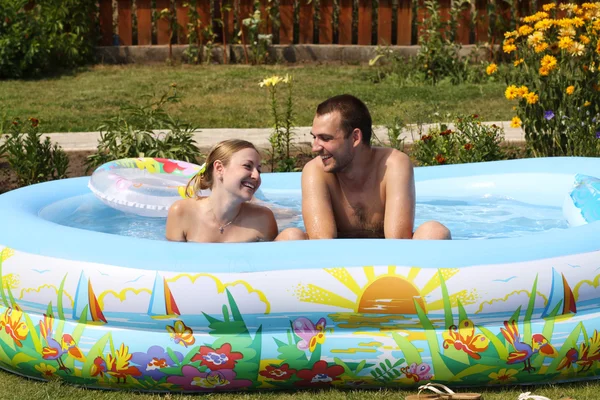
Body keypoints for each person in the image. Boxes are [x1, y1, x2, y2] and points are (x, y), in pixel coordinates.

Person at [301, 94, 451, 240]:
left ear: (355, 138)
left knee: (434, 232)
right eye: (315, 137)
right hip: (336, 263)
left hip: (388, 263)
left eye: (325, 138)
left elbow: (398, 240)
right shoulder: (316, 171)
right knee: (291, 236)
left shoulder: (393, 165)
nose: (315, 148)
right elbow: (321, 243)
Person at [166, 139, 306, 243]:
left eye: (258, 170)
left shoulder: (262, 219)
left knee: (293, 235)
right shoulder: (182, 213)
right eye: (247, 166)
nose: (256, 176)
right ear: (220, 169)